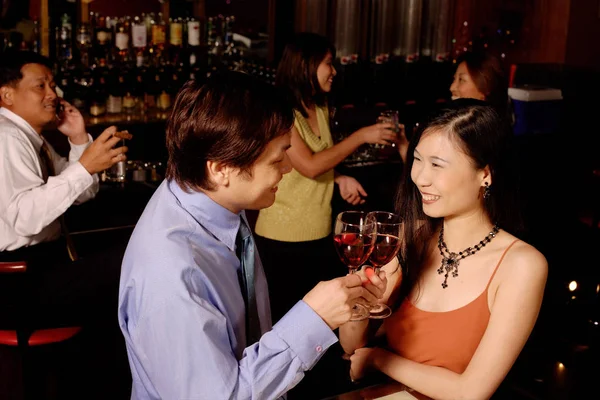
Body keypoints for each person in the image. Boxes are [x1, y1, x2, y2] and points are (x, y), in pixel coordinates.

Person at [117, 71, 387, 399]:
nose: (288, 169)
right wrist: (314, 317)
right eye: (277, 160)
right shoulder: (173, 273)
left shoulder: (210, 200)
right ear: (221, 168)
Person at [339, 99, 548, 400]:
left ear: (485, 174)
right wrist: (358, 302)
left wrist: (378, 359)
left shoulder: (522, 265)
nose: (420, 177)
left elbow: (471, 393)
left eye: (437, 165)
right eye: (418, 160)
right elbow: (351, 349)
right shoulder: (414, 238)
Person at [254, 32, 397, 322]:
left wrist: (338, 178)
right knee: (288, 322)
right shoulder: (284, 112)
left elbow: (310, 166)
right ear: (306, 65)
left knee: (324, 320)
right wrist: (362, 136)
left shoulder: (318, 107)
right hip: (283, 237)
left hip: (320, 232)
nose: (334, 71)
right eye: (328, 63)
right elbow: (309, 166)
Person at [0, 51, 128, 328]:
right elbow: (25, 219)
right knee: (133, 261)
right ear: (7, 95)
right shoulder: (7, 137)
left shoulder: (31, 138)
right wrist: (84, 166)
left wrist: (79, 138)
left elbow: (82, 193)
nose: (53, 93)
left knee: (133, 258)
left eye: (53, 84)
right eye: (40, 85)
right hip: (18, 281)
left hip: (44, 265)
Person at [397, 51, 510, 163]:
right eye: (454, 79)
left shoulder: (482, 139)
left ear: (485, 88)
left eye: (462, 80)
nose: (452, 87)